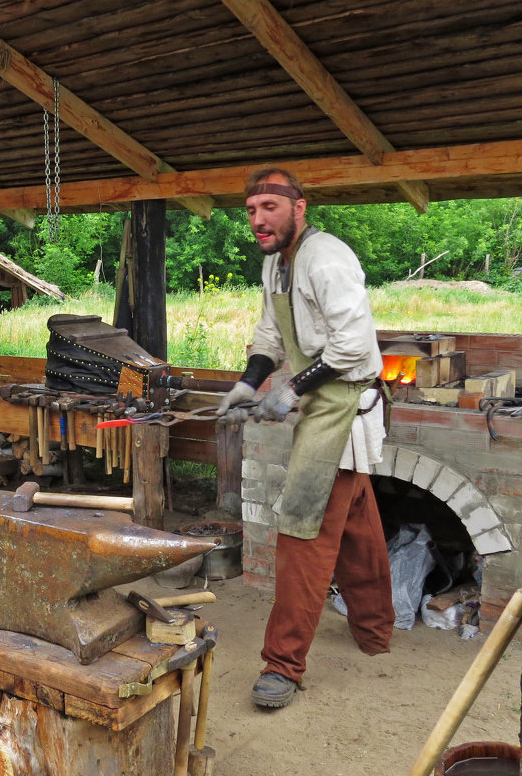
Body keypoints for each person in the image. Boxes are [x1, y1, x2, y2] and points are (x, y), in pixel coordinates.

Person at [215, 168, 394, 709]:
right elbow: (270, 333)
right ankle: (375, 631)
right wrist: (249, 382)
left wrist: (289, 390)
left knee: (301, 533)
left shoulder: (327, 258)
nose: (258, 219)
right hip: (321, 405)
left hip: (343, 410)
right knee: (357, 524)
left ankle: (283, 666)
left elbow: (355, 345)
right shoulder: (276, 264)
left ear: (300, 207)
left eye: (269, 206)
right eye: (250, 209)